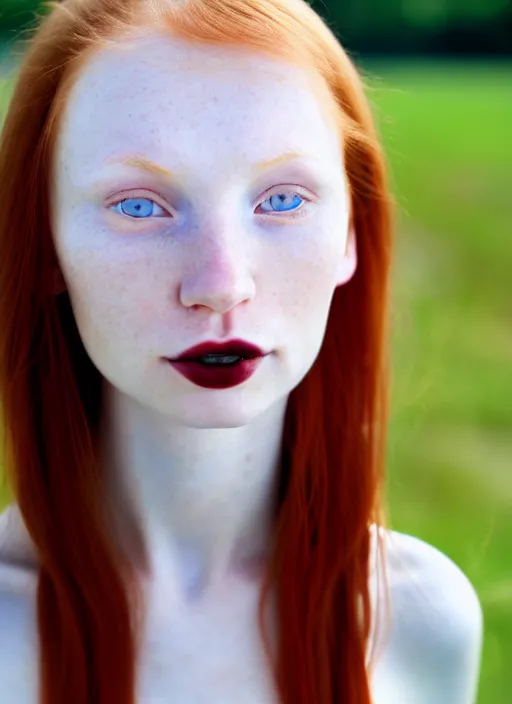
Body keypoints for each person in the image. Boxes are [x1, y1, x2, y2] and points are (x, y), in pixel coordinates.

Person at [0, 0, 483, 702]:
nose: (222, 285)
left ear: (352, 231)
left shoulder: (419, 619)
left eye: (283, 200)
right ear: (42, 243)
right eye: (139, 206)